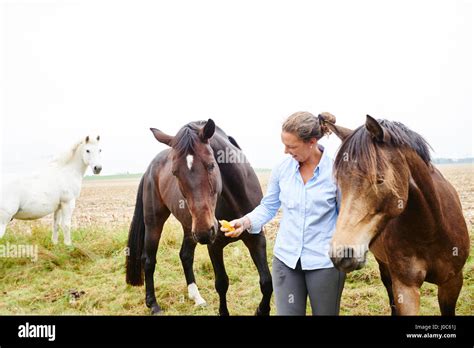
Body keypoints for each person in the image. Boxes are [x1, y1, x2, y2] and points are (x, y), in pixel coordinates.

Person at [221, 111, 346, 315]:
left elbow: (346, 218)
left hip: (324, 262)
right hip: (286, 260)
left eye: (292, 146)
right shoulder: (282, 169)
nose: (286, 151)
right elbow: (269, 206)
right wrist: (244, 222)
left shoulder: (337, 172)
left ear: (312, 142)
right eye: (284, 144)